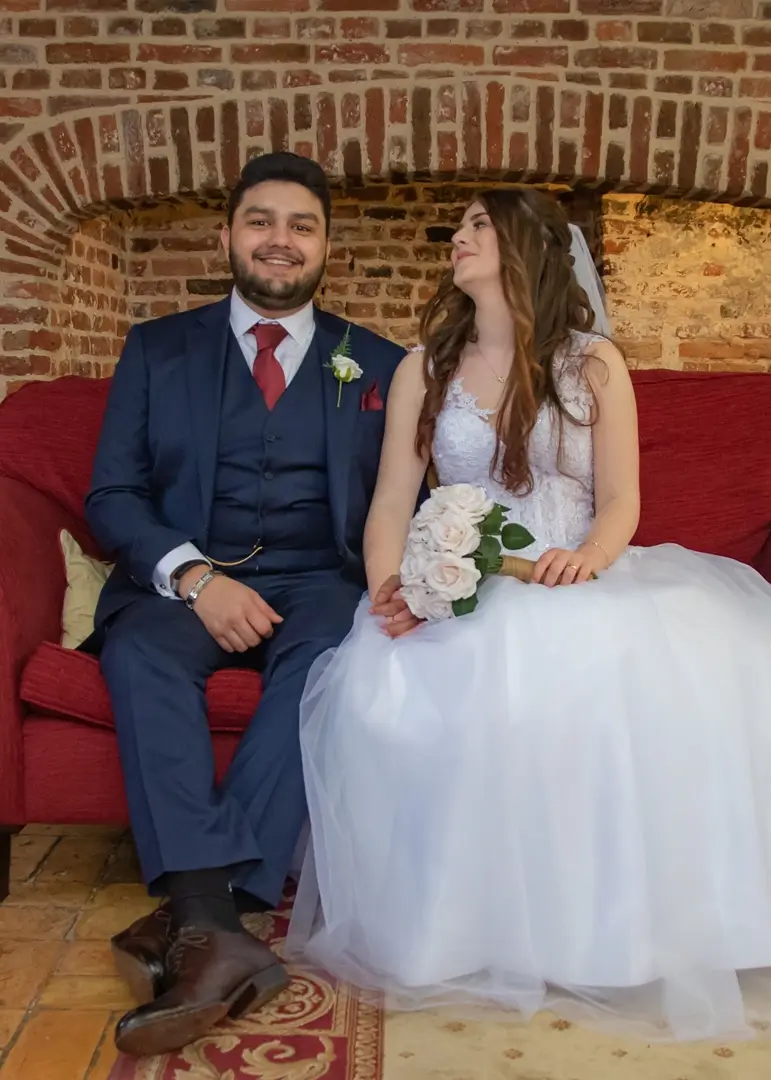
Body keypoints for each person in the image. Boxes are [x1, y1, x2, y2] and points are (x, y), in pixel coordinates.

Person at [286, 187, 771, 1042]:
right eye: (459, 226)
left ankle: (610, 933)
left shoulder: (593, 363)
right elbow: (394, 501)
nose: (457, 237)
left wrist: (591, 556)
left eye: (478, 225)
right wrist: (390, 585)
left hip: (577, 574)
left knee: (633, 673)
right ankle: (466, 926)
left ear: (525, 249)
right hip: (463, 582)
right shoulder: (423, 368)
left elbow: (619, 498)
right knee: (401, 678)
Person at [84, 152, 406, 1057]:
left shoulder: (374, 363)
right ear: (226, 236)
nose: (280, 241)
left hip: (318, 580)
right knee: (138, 652)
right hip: (186, 577)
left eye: (301, 226)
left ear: (326, 247)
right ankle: (218, 925)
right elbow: (112, 495)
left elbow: (402, 501)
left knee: (330, 664)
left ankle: (194, 922)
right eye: (261, 221)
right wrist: (193, 577)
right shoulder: (157, 348)